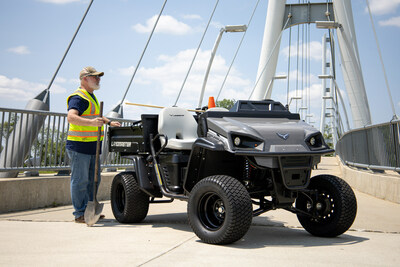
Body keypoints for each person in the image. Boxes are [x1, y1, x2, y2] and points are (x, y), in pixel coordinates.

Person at [66, 66, 121, 223]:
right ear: (85, 79)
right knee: (80, 181)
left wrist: (108, 121)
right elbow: (71, 117)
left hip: (92, 147)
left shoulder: (91, 97)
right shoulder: (78, 97)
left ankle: (90, 209)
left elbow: (95, 115)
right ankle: (79, 213)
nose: (98, 79)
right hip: (79, 146)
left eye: (99, 77)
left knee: (93, 180)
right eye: (95, 77)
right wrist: (91, 123)